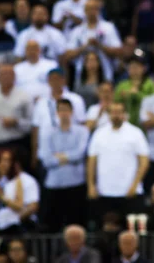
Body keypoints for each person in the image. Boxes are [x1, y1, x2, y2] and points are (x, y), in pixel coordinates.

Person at [87, 102, 150, 224]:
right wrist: (91, 185)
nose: (116, 115)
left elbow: (144, 161)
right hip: (104, 191)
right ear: (108, 114)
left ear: (125, 114)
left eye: (119, 112)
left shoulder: (135, 133)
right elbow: (91, 161)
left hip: (130, 191)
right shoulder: (99, 133)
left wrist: (135, 185)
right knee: (105, 231)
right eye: (113, 112)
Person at [39, 99, 90, 231]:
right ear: (57, 112)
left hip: (76, 184)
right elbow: (46, 160)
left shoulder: (82, 131)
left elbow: (80, 154)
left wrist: (59, 155)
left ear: (72, 112)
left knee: (76, 224)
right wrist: (69, 157)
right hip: (54, 185)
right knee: (52, 225)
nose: (64, 113)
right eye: (61, 110)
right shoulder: (48, 133)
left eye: (66, 110)